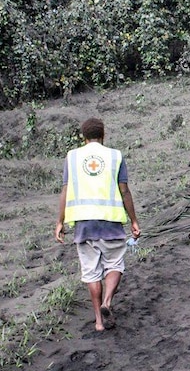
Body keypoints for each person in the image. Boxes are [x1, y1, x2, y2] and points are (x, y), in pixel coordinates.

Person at [54, 118, 141, 332]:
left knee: (91, 272)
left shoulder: (72, 157)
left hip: (84, 224)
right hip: (110, 221)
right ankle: (107, 301)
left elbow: (65, 190)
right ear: (103, 136)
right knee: (115, 264)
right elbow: (124, 191)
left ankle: (98, 322)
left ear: (83, 137)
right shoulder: (115, 156)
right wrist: (134, 220)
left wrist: (59, 221)